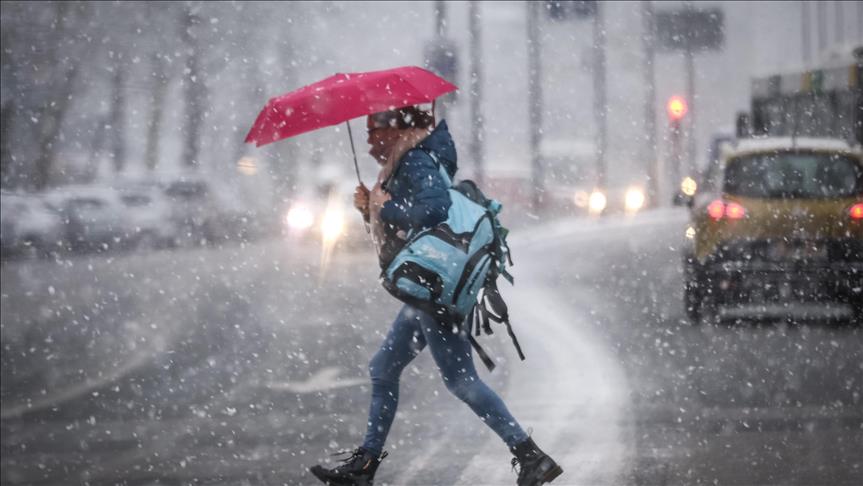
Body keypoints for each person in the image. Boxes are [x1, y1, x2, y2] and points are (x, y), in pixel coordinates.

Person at [309, 106, 562, 486]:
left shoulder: (414, 160)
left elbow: (434, 209)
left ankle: (530, 455)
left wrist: (384, 206)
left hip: (435, 287)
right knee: (383, 369)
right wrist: (371, 210)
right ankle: (365, 466)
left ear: (394, 130)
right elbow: (410, 226)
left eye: (373, 130)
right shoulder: (409, 160)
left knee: (461, 381)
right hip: (431, 286)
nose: (368, 139)